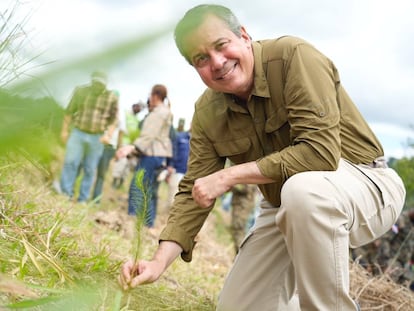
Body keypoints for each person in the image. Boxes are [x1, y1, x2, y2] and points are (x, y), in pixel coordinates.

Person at [118, 5, 406, 311]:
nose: (217, 63)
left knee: (304, 192)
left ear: (243, 35)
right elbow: (195, 190)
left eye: (221, 45)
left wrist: (229, 176)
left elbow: (320, 152)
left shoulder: (294, 56)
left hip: (365, 183)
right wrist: (157, 263)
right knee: (238, 306)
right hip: (285, 203)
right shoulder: (206, 112)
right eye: (201, 59)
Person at [117, 84, 173, 228]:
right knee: (150, 190)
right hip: (158, 156)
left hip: (151, 156)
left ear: (155, 96)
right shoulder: (164, 112)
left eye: (150, 95)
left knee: (138, 187)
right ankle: (148, 224)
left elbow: (148, 136)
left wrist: (132, 148)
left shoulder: (158, 113)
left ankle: (132, 222)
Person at [60, 71, 118, 202]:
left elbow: (114, 120)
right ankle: (65, 194)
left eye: (101, 84)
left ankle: (83, 199)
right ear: (92, 80)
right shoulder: (80, 91)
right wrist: (64, 131)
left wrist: (108, 135)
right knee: (70, 162)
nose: (98, 86)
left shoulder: (112, 97)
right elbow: (69, 112)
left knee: (90, 169)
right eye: (96, 83)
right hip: (78, 133)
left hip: (97, 137)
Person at [165, 118, 191, 208]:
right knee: (173, 195)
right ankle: (168, 217)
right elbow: (173, 151)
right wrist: (170, 166)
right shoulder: (180, 136)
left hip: (190, 173)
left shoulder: (200, 142)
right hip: (177, 170)